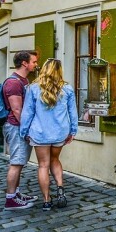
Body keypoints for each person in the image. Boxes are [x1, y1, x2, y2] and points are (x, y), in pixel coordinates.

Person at [19, 59, 78, 211]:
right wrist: (73, 130)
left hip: (40, 133)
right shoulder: (67, 89)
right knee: (55, 160)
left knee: (43, 165)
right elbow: (73, 112)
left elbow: (27, 113)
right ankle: (60, 188)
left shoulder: (33, 88)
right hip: (60, 132)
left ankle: (46, 200)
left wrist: (23, 132)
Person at [2, 50, 39, 210]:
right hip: (16, 127)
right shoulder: (14, 83)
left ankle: (16, 193)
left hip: (20, 127)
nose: (36, 65)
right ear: (24, 63)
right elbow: (17, 110)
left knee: (20, 161)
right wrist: (27, 130)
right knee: (16, 162)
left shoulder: (23, 80)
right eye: (34, 62)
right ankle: (10, 199)